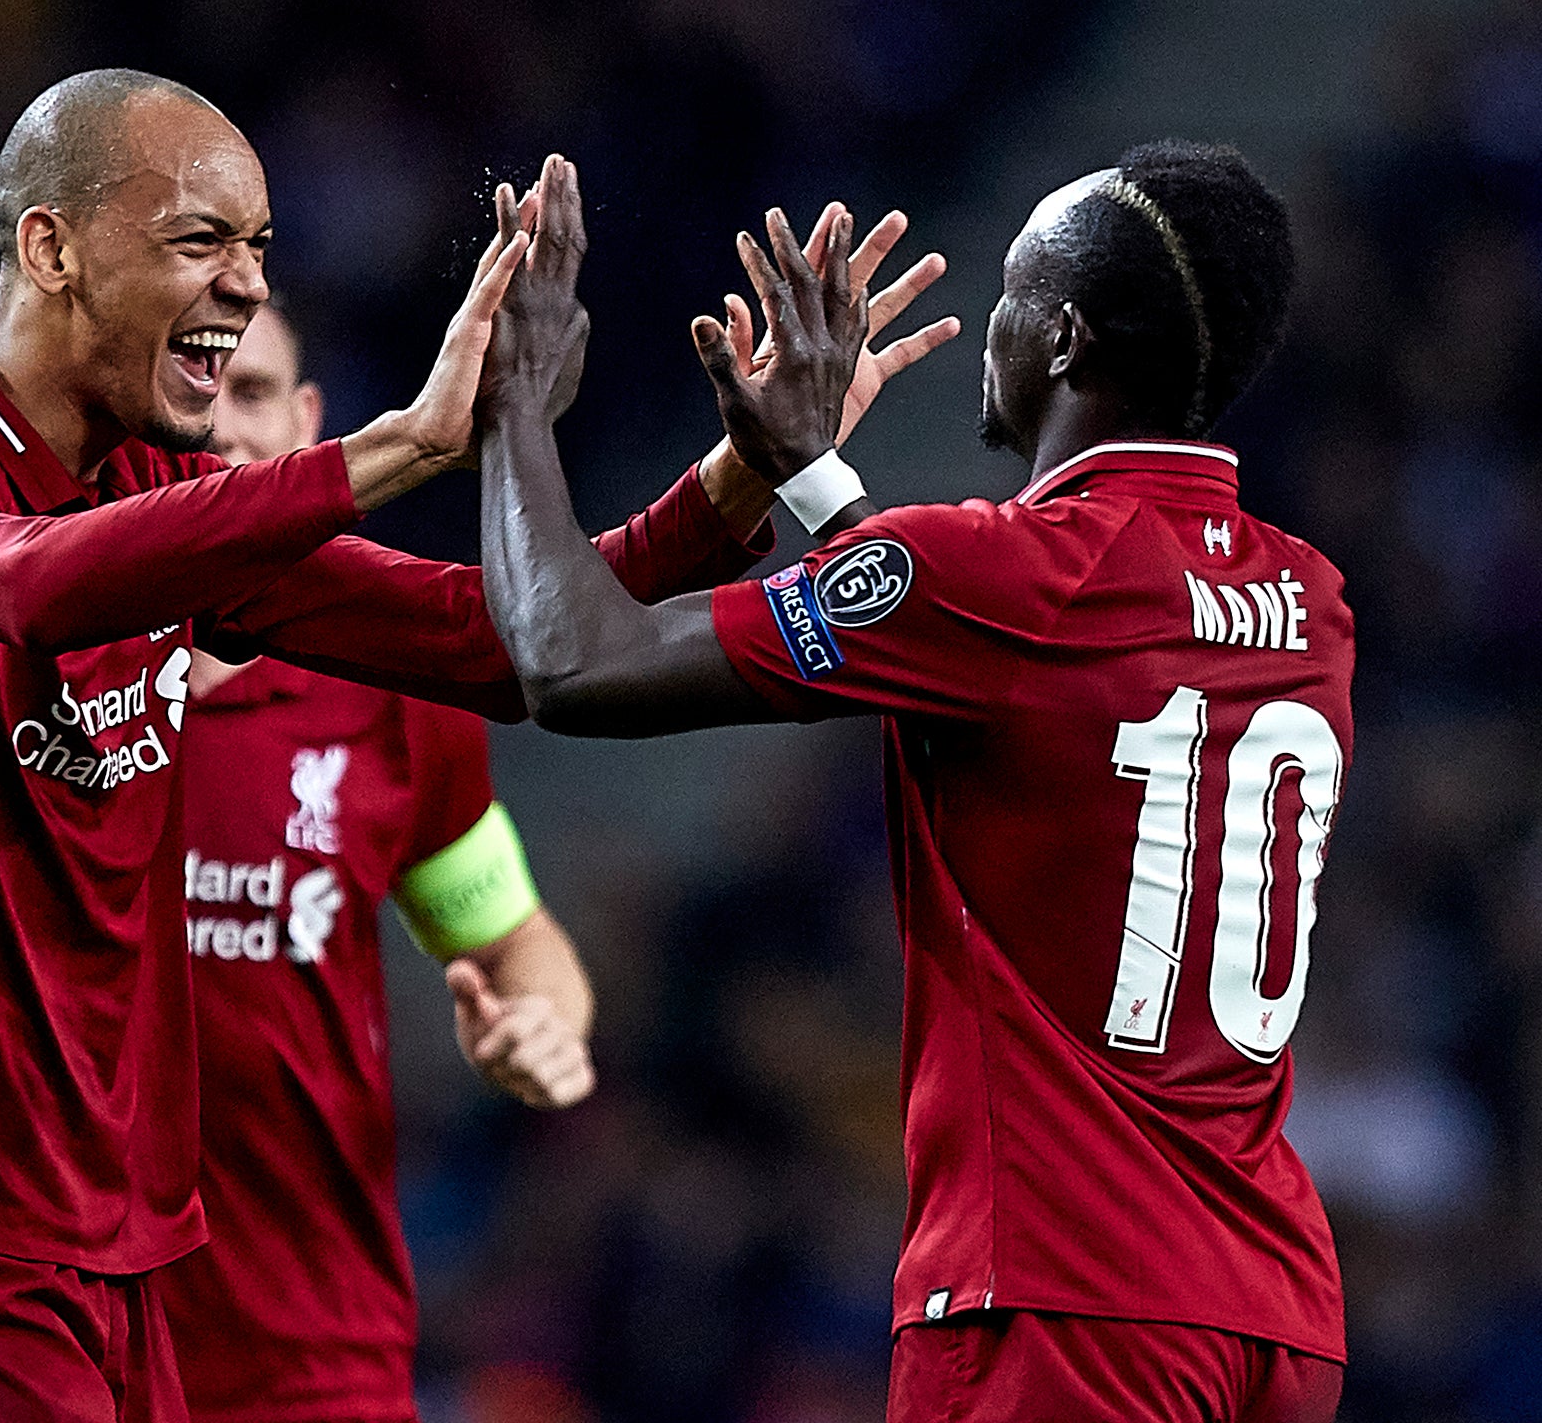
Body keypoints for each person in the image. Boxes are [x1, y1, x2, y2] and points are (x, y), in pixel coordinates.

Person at [0, 70, 797, 1422]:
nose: (242, 284)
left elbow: (495, 642)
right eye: (198, 241)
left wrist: (742, 477)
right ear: (50, 247)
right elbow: (31, 588)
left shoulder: (157, 497)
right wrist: (400, 447)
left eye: (259, 248)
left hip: (110, 1253)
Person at [475, 149, 1351, 1422]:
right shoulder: (1309, 601)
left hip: (1060, 1311)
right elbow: (1011, 663)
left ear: (1058, 338)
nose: (991, 325)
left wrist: (516, 403)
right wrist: (812, 480)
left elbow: (567, 660)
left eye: (1008, 293)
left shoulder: (1008, 577)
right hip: (1272, 1316)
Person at [155, 303, 594, 1423]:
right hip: (54, 1342)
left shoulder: (388, 680)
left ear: (308, 426)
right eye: (193, 390)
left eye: (253, 394)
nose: (222, 431)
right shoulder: (28, 661)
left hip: (311, 1354)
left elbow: (510, 936)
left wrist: (539, 1024)